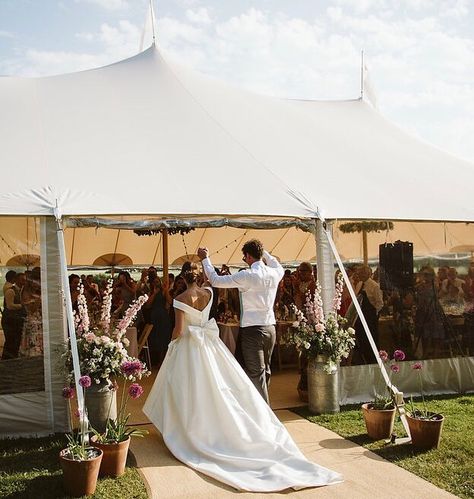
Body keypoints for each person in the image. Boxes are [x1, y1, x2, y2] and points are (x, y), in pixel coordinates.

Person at [142, 263, 342, 492]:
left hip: (189, 345)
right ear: (199, 277)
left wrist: (172, 344)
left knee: (186, 388)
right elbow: (208, 307)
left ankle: (188, 428)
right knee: (217, 385)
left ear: (182, 279)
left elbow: (178, 330)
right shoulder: (209, 293)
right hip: (209, 345)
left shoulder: (180, 298)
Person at [198, 239, 284, 404]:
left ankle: (263, 414)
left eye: (245, 257)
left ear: (248, 257)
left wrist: (205, 259)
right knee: (266, 371)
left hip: (252, 330)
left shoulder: (247, 275)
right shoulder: (275, 273)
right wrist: (264, 251)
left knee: (256, 373)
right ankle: (263, 408)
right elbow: (274, 261)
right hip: (270, 328)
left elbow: (215, 280)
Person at [352, 265, 383, 364]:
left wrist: (374, 316)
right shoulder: (359, 284)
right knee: (361, 343)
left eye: (360, 273)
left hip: (370, 320)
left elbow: (379, 303)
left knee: (371, 343)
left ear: (366, 273)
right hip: (359, 320)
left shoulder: (374, 286)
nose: (358, 274)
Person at [1, 271, 26, 360]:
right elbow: (10, 306)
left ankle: (11, 359)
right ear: (15, 280)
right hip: (9, 319)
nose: (24, 282)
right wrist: (22, 305)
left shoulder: (19, 290)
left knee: (14, 341)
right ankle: (6, 360)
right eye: (22, 280)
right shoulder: (10, 290)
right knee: (10, 341)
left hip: (14, 319)